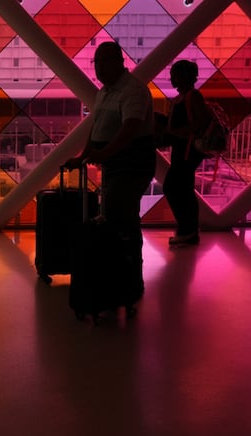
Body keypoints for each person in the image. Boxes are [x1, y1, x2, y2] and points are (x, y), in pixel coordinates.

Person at [65, 41, 156, 296]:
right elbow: (97, 127)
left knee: (121, 216)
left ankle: (131, 282)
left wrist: (104, 153)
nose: (100, 67)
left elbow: (131, 128)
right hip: (113, 164)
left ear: (120, 61)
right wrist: (84, 155)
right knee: (115, 215)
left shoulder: (133, 90)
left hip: (132, 165)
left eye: (105, 61)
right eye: (97, 62)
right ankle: (115, 276)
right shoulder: (104, 92)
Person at [163, 59, 211, 247]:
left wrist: (178, 132)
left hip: (187, 150)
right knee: (181, 189)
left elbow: (201, 121)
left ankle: (187, 229)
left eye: (174, 73)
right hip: (182, 150)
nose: (171, 78)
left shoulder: (192, 96)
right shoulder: (181, 98)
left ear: (184, 76)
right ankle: (188, 230)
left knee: (175, 188)